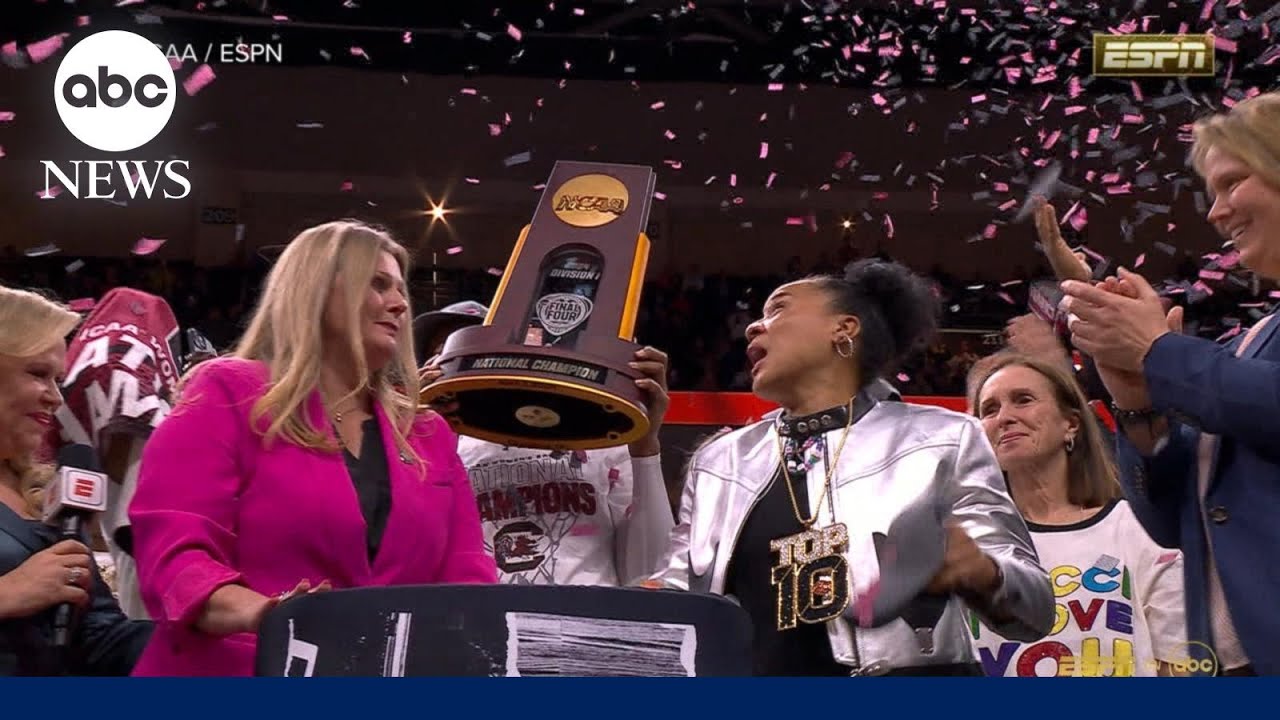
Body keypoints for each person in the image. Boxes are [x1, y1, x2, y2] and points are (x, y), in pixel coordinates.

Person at [128, 220, 497, 676]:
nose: (401, 304)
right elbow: (175, 553)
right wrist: (268, 615)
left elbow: (468, 579)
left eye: (402, 290)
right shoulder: (229, 392)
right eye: (378, 285)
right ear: (317, 292)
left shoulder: (427, 433)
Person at [649, 259, 1053, 676]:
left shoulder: (944, 438)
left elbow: (1036, 609)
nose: (753, 326)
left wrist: (984, 572)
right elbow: (678, 594)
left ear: (844, 329)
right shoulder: (719, 460)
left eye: (778, 309)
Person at [1060, 91, 1280, 677]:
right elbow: (1174, 522)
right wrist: (1138, 403)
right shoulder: (1251, 340)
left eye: (1233, 183)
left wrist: (1157, 351)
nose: (1215, 211)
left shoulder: (1228, 359)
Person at [415, 301, 675, 586]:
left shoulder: (599, 433)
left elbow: (651, 571)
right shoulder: (433, 450)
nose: (453, 362)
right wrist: (417, 437)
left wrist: (645, 447)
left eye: (468, 345)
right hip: (482, 622)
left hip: (584, 623)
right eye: (440, 353)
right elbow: (413, 565)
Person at [967, 352, 1187, 677]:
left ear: (1070, 424)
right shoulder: (958, 543)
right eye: (990, 410)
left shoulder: (1140, 527)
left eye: (1023, 400)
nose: (1004, 417)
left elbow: (1179, 667)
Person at [0, 285, 152, 675]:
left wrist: (211, 628)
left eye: (57, 380)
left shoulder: (47, 496)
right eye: (37, 374)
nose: (55, 397)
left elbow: (101, 638)